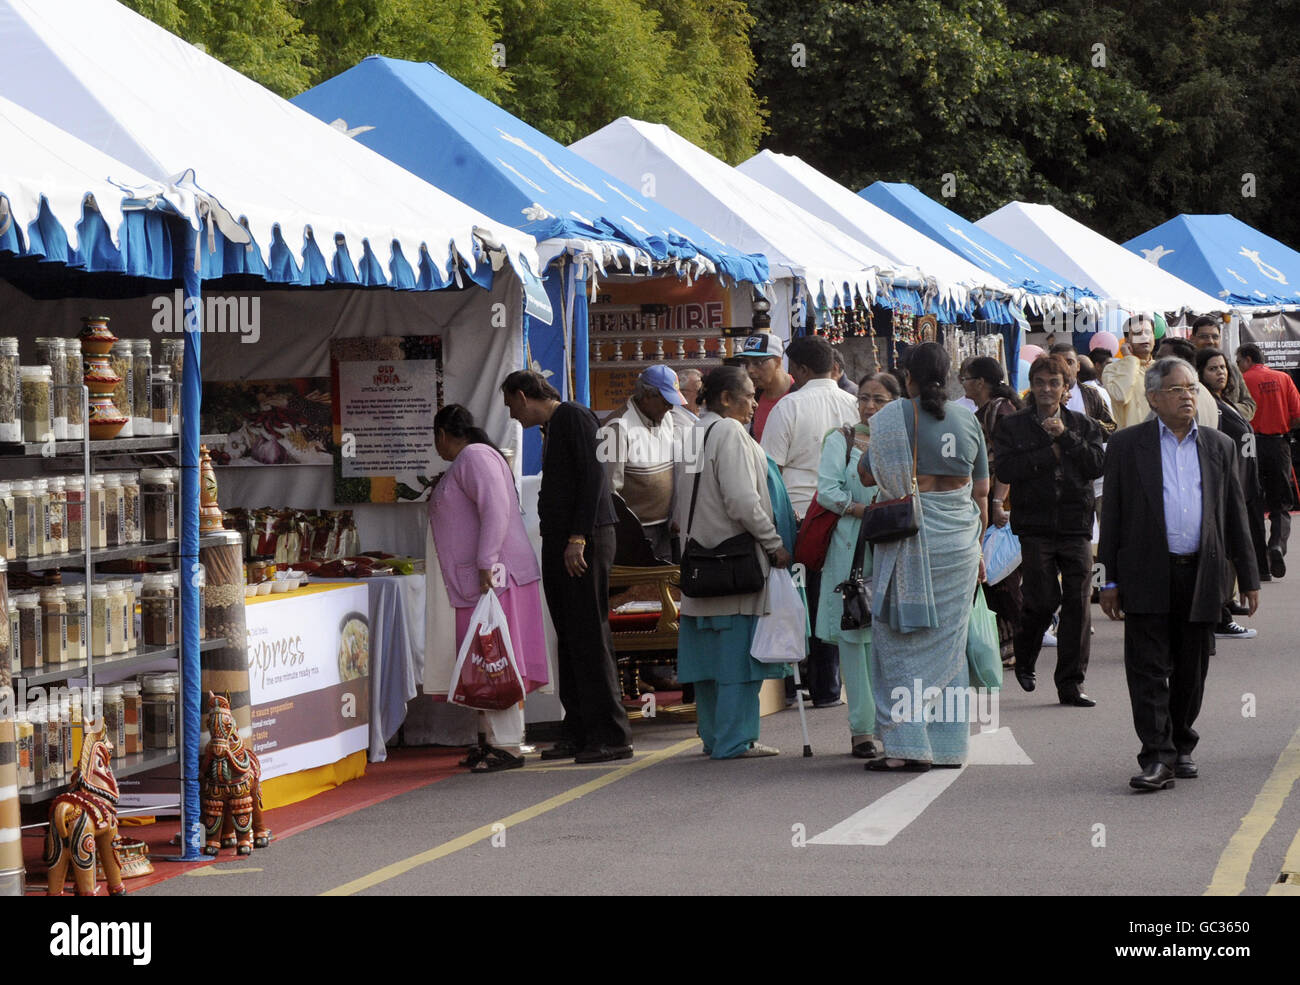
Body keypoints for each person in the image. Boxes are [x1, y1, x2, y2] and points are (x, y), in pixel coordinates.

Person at [1099, 357, 1260, 791]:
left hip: (1201, 573)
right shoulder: (1128, 446)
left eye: (1191, 388)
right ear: (1153, 398)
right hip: (1146, 572)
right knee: (1147, 669)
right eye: (1177, 389)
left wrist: (1248, 577)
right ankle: (1157, 755)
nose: (1188, 395)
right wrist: (1108, 581)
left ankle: (1181, 743)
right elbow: (1111, 515)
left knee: (1191, 670)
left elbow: (1234, 514)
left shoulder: (1218, 445)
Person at [857, 342, 989, 771]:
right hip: (959, 546)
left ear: (907, 376)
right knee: (949, 648)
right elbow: (982, 494)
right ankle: (948, 747)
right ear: (948, 375)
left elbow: (866, 474)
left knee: (899, 644)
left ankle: (907, 748)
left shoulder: (891, 419)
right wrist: (978, 548)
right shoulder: (968, 419)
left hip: (910, 540)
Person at [500, 370, 633, 764]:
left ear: (524, 396)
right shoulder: (554, 426)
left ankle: (612, 734)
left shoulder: (574, 416)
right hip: (563, 539)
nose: (513, 417)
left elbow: (595, 477)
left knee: (589, 635)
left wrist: (578, 537)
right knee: (570, 636)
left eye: (512, 406)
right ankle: (578, 730)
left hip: (584, 538)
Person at [675, 366, 792, 759]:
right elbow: (742, 501)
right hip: (734, 565)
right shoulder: (728, 432)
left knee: (708, 665)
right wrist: (774, 542)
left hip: (700, 566)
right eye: (748, 395)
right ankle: (735, 740)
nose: (754, 402)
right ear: (726, 398)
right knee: (738, 663)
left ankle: (713, 737)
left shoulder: (691, 431)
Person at [427, 405, 549, 771]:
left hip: (492, 578)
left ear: (443, 435)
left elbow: (494, 510)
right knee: (483, 660)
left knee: (495, 660)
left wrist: (485, 562)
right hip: (481, 579)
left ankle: (507, 745)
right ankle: (489, 739)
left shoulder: (474, 457)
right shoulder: (473, 458)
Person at [994, 354, 1106, 706]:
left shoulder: (1083, 424)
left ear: (1066, 387)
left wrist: (1067, 438)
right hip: (1035, 525)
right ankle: (1025, 656)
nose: (1046, 389)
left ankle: (1071, 684)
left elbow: (1097, 465)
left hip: (1075, 524)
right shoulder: (1013, 426)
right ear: (1031, 385)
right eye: (1040, 382)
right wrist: (1048, 449)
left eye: (1054, 383)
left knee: (1078, 604)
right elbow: (1007, 470)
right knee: (1042, 599)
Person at [762, 335, 860, 709]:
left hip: (804, 515)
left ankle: (800, 682)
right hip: (847, 514)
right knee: (841, 594)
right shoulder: (854, 404)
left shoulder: (788, 408)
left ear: (800, 370)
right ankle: (831, 685)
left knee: (802, 599)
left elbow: (771, 470)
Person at [814, 371, 899, 758]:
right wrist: (864, 511)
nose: (868, 406)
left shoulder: (903, 441)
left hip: (894, 548)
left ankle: (895, 725)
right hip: (851, 548)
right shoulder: (841, 439)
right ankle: (862, 730)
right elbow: (828, 490)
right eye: (863, 398)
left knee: (891, 638)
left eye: (878, 400)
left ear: (895, 403)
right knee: (854, 636)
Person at [960, 356, 1024, 666]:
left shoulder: (1000, 410)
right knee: (997, 574)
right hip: (993, 498)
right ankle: (1009, 643)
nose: (964, 384)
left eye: (967, 378)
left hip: (1003, 500)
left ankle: (1021, 640)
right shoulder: (987, 411)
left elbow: (1006, 460)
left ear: (981, 383)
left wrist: (997, 502)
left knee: (1002, 574)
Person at [1196, 347, 1263, 639]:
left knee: (1230, 553)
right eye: (1212, 368)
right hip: (1223, 490)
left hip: (1241, 486)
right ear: (1199, 374)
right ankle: (1219, 616)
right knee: (1221, 555)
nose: (1220, 373)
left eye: (1223, 367)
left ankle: (1222, 610)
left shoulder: (1227, 402)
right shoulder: (1208, 405)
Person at [600, 365, 688, 561]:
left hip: (664, 527)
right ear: (647, 396)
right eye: (666, 402)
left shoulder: (665, 418)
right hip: (633, 534)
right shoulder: (616, 428)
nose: (670, 408)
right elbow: (608, 492)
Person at [1236, 343, 1300, 579]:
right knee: (1281, 501)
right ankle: (1276, 545)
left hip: (1248, 442)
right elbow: (1298, 415)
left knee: (1251, 501)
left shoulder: (1242, 380)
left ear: (1248, 359)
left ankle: (1260, 566)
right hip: (1277, 442)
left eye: (1239, 360)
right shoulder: (1283, 378)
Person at [1190, 316, 1255, 421]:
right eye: (1204, 336)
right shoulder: (1185, 369)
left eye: (1215, 337)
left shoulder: (1231, 368)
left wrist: (1224, 409)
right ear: (1192, 338)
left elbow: (1249, 405)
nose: (1210, 341)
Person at [1102, 314, 1158, 430]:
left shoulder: (1164, 369)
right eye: (1137, 333)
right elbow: (1120, 396)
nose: (1144, 337)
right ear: (1127, 339)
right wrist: (1130, 359)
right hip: (1129, 441)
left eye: (1148, 332)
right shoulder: (1112, 370)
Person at [735, 332, 792, 442]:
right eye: (746, 363)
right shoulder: (751, 398)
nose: (750, 370)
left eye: (758, 362)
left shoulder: (799, 394)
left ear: (778, 361)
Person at [1049, 342, 1116, 431]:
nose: (1065, 367)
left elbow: (1111, 427)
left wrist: (1086, 424)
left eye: (1069, 362)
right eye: (1059, 362)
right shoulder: (1041, 394)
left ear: (1078, 366)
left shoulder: (1092, 394)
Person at [1153, 337, 1218, 428]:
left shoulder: (1176, 395)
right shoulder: (1204, 393)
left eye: (1161, 359)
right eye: (1156, 358)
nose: (1155, 364)